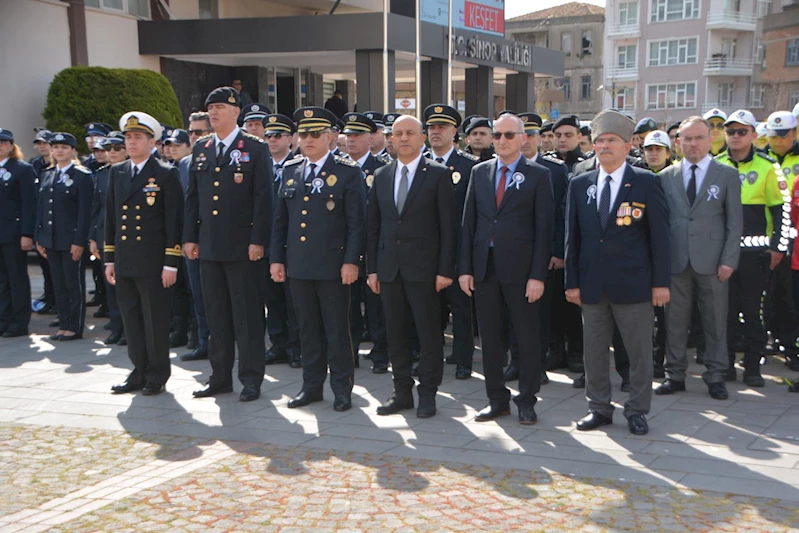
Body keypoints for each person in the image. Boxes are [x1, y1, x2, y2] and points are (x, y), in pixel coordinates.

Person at [565, 110, 671, 436]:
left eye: (611, 140)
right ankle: (598, 407)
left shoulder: (646, 181)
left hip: (634, 284)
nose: (604, 146)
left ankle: (637, 410)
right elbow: (574, 237)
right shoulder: (579, 183)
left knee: (639, 352)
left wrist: (661, 283)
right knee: (594, 351)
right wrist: (571, 282)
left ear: (628, 146)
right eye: (599, 141)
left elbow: (660, 238)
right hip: (592, 284)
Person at [459, 113, 554, 424]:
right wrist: (466, 268)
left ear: (523, 138)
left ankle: (527, 400)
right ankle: (496, 399)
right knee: (489, 339)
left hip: (522, 272)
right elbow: (469, 223)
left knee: (526, 338)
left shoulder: (538, 175)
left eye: (509, 135)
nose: (501, 141)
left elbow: (544, 230)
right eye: (497, 135)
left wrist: (538, 275)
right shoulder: (480, 172)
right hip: (485, 269)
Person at [270, 106, 364, 411]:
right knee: (306, 329)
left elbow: (356, 223)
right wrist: (277, 260)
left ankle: (341, 388)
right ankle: (311, 386)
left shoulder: (347, 172)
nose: (307, 139)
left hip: (333, 267)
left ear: (331, 137)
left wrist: (352, 261)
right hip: (298, 265)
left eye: (315, 134)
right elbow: (280, 222)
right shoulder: (291, 170)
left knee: (337, 330)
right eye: (304, 134)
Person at [184, 86, 272, 402]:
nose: (213, 112)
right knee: (216, 315)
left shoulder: (254, 148)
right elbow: (192, 198)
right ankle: (219, 377)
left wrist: (258, 240)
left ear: (236, 112)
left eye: (220, 106)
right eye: (210, 107)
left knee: (247, 316)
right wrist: (190, 237)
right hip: (209, 247)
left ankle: (250, 379)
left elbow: (264, 199)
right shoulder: (202, 148)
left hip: (243, 247)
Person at [367, 115, 456, 419]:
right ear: (390, 139)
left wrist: (445, 270)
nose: (403, 138)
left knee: (429, 334)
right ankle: (401, 391)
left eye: (410, 133)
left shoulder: (438, 175)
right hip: (390, 269)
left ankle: (428, 393)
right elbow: (374, 227)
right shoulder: (380, 175)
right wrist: (373, 269)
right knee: (396, 333)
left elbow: (448, 228)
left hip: (426, 271)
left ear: (422, 139)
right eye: (398, 134)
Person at [656, 116, 742, 401]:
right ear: (677, 142)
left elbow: (734, 222)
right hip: (676, 262)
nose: (693, 143)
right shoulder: (666, 176)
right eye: (687, 138)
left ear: (710, 139)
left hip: (714, 261)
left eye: (698, 138)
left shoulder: (726, 174)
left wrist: (729, 259)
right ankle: (674, 374)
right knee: (674, 322)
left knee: (715, 321)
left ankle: (716, 375)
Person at [105, 113, 183, 395]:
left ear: (153, 141)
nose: (132, 142)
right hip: (125, 259)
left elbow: (174, 221)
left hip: (153, 262)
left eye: (138, 137)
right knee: (132, 320)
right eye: (128, 137)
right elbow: (111, 219)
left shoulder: (165, 173)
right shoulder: (117, 172)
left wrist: (171, 263)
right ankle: (138, 370)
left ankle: (157, 374)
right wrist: (109, 259)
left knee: (154, 321)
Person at [716, 109, 791, 386]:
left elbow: (782, 210)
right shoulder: (716, 164)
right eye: (731, 131)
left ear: (754, 135)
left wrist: (778, 248)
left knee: (753, 313)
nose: (735, 136)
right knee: (724, 313)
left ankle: (752, 367)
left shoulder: (768, 166)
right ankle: (725, 366)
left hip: (755, 256)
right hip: (723, 254)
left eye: (742, 131)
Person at [501, 112, 569, 385]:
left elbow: (560, 214)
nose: (526, 141)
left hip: (542, 256)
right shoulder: (502, 167)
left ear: (539, 139)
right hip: (511, 256)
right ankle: (515, 361)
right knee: (511, 313)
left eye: (531, 135)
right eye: (522, 135)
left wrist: (556, 251)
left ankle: (537, 364)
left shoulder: (554, 170)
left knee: (538, 314)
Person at [424, 104, 480, 380]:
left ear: (454, 132)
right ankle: (430, 356)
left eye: (441, 128)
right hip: (424, 249)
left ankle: (462, 358)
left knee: (460, 307)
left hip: (457, 249)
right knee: (428, 309)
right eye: (432, 128)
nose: (435, 132)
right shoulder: (419, 164)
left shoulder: (469, 166)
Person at [343, 112, 390, 372]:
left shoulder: (381, 168)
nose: (350, 141)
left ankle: (381, 352)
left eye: (357, 135)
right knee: (349, 303)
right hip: (347, 246)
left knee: (376, 304)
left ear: (370, 138)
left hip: (374, 246)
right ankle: (350, 352)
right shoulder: (338, 168)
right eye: (347, 135)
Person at [35, 133, 93, 341]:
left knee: (72, 283)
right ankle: (64, 322)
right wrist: (39, 236)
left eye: (64, 147)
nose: (59, 151)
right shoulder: (48, 174)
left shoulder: (82, 175)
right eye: (56, 147)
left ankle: (74, 326)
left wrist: (79, 241)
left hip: (70, 240)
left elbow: (85, 212)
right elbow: (41, 208)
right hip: (51, 238)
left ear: (73, 151)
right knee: (58, 283)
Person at [263, 113, 302, 368]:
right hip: (267, 244)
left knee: (294, 302)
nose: (272, 140)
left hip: (293, 245)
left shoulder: (297, 166)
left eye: (278, 135)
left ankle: (295, 347)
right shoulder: (261, 165)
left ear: (290, 139)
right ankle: (277, 345)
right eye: (268, 136)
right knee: (272, 300)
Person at [765, 111, 799, 370]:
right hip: (766, 236)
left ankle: (789, 344)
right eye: (773, 136)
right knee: (768, 293)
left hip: (794, 239)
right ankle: (770, 338)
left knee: (789, 295)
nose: (777, 141)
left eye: (783, 135)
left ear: (794, 133)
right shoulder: (762, 159)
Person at [180, 113, 213, 363]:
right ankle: (204, 341)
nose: (194, 137)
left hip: (217, 240)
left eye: (199, 132)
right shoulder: (184, 164)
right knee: (198, 295)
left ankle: (223, 342)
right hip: (194, 240)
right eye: (191, 132)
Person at [89, 132, 127, 346]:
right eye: (108, 149)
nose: (111, 153)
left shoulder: (130, 172)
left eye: (116, 148)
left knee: (127, 286)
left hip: (127, 235)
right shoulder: (102, 174)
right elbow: (96, 208)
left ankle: (129, 330)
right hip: (105, 235)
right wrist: (92, 239)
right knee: (110, 285)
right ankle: (116, 327)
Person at [0, 128, 37, 338]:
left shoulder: (22, 169)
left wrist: (27, 233)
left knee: (17, 279)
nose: (0, 145)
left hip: (13, 233)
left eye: (3, 142)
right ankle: (3, 318)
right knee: (1, 280)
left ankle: (19, 322)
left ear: (11, 145)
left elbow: (29, 204)